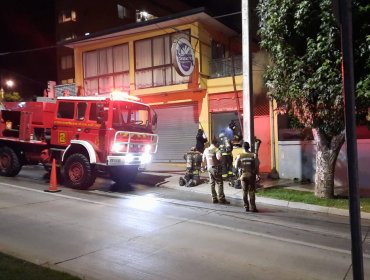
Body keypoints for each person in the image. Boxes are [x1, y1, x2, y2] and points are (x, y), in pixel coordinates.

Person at [202, 138, 230, 204]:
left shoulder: (206, 150)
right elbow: (219, 158)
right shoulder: (216, 149)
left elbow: (203, 159)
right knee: (220, 183)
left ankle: (214, 198)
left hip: (209, 168)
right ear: (216, 143)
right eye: (218, 143)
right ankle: (221, 199)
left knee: (212, 183)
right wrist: (222, 157)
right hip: (215, 168)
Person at [234, 141, 258, 212]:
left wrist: (240, 166)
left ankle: (246, 206)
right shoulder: (253, 155)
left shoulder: (239, 155)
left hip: (243, 175)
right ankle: (253, 207)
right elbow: (257, 164)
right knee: (251, 191)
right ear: (249, 147)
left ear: (243, 147)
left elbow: (235, 166)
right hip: (251, 175)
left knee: (244, 191)